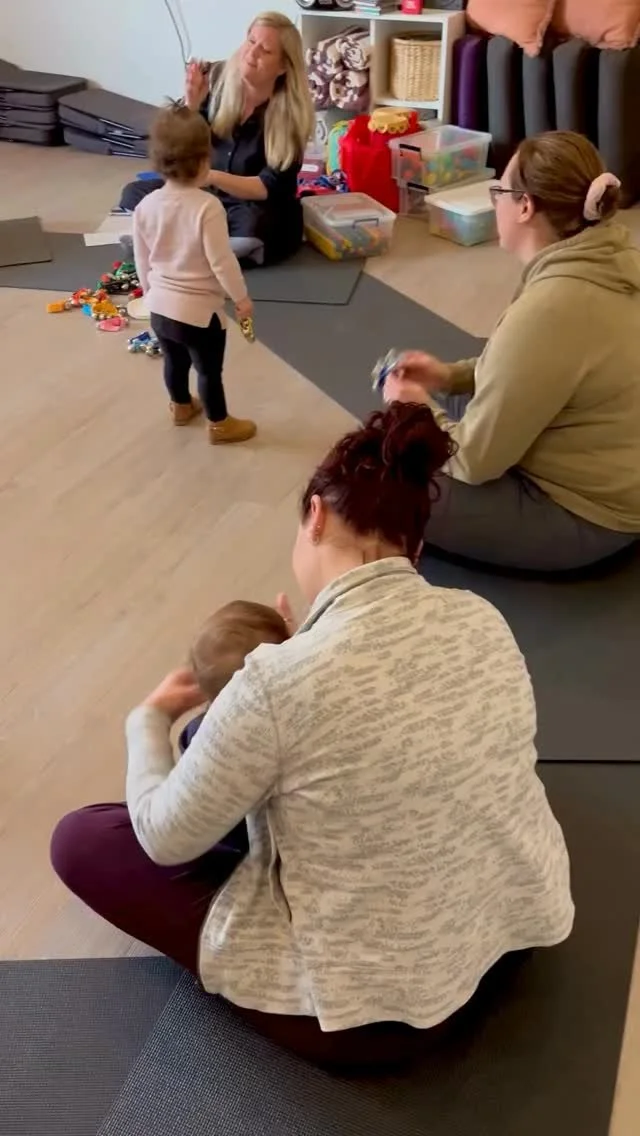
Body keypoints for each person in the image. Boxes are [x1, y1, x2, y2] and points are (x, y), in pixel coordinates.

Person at [51, 403, 574, 1067]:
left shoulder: (276, 683)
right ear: (414, 548)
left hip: (381, 1017)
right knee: (264, 758)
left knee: (83, 839)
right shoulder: (482, 617)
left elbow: (163, 837)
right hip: (515, 935)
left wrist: (147, 718)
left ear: (316, 516)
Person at [384, 131, 640, 572]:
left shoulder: (553, 306)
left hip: (586, 516)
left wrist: (418, 411)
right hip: (614, 477)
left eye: (498, 192)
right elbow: (531, 370)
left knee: (378, 481)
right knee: (450, 409)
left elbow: (473, 461)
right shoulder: (608, 260)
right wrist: (448, 377)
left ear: (525, 207)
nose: (495, 202)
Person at [121, 12, 314, 267]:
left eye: (265, 50)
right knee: (135, 193)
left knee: (256, 223)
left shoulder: (291, 118)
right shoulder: (217, 85)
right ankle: (201, 249)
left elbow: (267, 187)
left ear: (282, 67)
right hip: (205, 197)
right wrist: (191, 105)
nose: (252, 53)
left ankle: (181, 248)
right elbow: (178, 149)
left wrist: (211, 176)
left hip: (251, 205)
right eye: (251, 41)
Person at [134, 104, 256, 444]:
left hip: (160, 308)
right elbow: (222, 261)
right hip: (200, 315)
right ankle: (219, 423)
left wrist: (150, 293)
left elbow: (142, 258)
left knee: (174, 362)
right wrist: (241, 298)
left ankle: (181, 406)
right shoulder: (207, 207)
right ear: (204, 161)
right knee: (208, 371)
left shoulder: (145, 205)